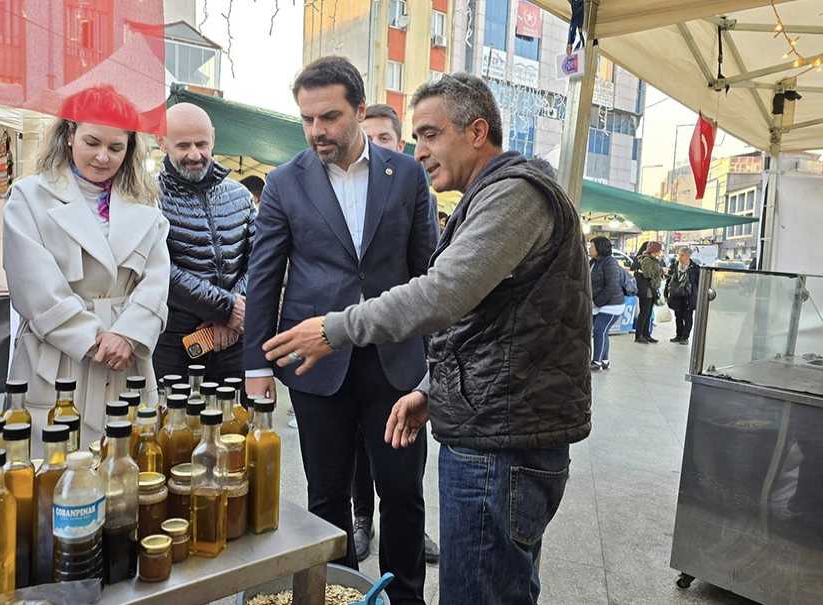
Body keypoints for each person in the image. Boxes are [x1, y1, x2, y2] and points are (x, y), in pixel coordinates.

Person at [261, 72, 592, 604]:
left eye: (431, 134)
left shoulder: (514, 195)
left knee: (477, 591)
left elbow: (440, 294)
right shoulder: (492, 194)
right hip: (491, 428)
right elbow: (485, 323)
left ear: (477, 132)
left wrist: (334, 327)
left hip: (501, 442)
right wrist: (431, 390)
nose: (419, 151)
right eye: (416, 137)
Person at [244, 57, 437, 604]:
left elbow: (428, 273)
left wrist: (433, 361)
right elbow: (264, 277)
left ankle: (403, 599)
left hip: (395, 362)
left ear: (359, 109)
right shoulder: (284, 182)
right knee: (326, 495)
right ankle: (344, 595)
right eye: (307, 119)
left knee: (401, 491)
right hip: (316, 365)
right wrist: (257, 367)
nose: (316, 131)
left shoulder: (407, 176)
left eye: (329, 117)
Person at [3, 86, 170, 438]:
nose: (102, 157)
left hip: (126, 359)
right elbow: (34, 288)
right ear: (69, 135)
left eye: (115, 148)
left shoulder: (146, 205)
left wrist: (128, 334)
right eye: (92, 142)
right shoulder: (29, 196)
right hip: (55, 360)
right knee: (50, 461)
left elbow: (157, 281)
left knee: (125, 461)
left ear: (130, 149)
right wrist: (95, 339)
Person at [352, 102, 440, 564]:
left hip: (399, 349)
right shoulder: (340, 189)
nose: (374, 147)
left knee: (403, 457)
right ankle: (360, 518)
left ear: (399, 143)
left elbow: (427, 270)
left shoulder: (413, 185)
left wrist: (426, 355)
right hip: (346, 348)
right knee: (356, 453)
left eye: (383, 138)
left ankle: (407, 531)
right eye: (366, 138)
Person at [154, 103, 255, 382]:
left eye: (201, 144)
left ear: (213, 138)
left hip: (236, 342)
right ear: (161, 142)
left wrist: (234, 314)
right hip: (173, 346)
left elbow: (262, 260)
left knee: (240, 411)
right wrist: (226, 308)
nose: (194, 154)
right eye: (183, 145)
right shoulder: (148, 197)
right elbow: (158, 268)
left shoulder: (240, 195)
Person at [589, 236, 625, 370]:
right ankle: (604, 360)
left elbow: (612, 286)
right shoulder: (593, 262)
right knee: (602, 331)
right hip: (599, 304)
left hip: (612, 305)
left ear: (600, 248)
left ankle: (596, 362)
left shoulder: (610, 262)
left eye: (592, 246)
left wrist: (597, 302)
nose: (590, 249)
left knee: (599, 330)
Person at [666, 248, 700, 345]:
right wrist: (666, 292)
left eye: (682, 255)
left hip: (688, 296)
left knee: (688, 317)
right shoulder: (674, 266)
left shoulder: (695, 268)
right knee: (678, 316)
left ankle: (685, 337)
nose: (679, 257)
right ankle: (678, 335)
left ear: (688, 256)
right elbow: (669, 280)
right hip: (676, 295)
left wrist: (696, 295)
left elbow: (698, 282)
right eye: (679, 255)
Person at [635, 241, 665, 344]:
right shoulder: (647, 259)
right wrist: (659, 272)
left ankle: (646, 334)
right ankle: (639, 335)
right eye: (659, 250)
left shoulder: (653, 259)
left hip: (651, 289)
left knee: (648, 314)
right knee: (644, 313)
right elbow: (647, 274)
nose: (660, 252)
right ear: (655, 250)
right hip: (647, 289)